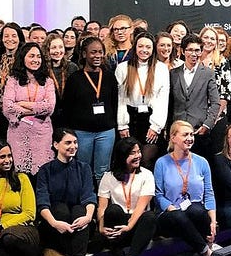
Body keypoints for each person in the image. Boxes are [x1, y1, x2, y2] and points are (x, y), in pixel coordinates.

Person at [35, 128, 98, 256]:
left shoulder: (83, 168)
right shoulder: (45, 170)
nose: (73, 146)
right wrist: (55, 223)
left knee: (79, 209)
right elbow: (42, 203)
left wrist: (88, 217)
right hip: (54, 224)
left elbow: (89, 196)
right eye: (68, 142)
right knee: (61, 209)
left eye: (75, 142)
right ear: (56, 145)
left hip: (78, 223)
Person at [154, 121, 221, 256]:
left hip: (194, 211)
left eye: (191, 134)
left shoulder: (202, 162)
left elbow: (209, 193)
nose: (190, 138)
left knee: (196, 210)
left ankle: (204, 242)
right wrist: (173, 209)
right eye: (185, 135)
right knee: (179, 216)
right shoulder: (161, 163)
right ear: (173, 138)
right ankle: (206, 251)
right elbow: (158, 196)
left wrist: (213, 221)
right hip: (170, 214)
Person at [97, 138, 157, 256]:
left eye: (138, 152)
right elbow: (102, 207)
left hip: (137, 224)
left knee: (150, 216)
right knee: (112, 210)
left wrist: (129, 226)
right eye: (132, 153)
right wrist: (101, 227)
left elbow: (142, 206)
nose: (137, 156)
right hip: (118, 225)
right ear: (122, 156)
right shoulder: (108, 177)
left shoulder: (147, 175)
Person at [60, 37, 118, 184]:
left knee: (102, 172)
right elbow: (67, 107)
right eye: (93, 52)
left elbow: (115, 104)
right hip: (82, 132)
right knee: (83, 169)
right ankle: (85, 202)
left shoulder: (110, 77)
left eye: (100, 52)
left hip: (105, 132)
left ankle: (102, 204)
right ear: (84, 54)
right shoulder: (75, 78)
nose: (97, 55)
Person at [116, 32, 170, 168]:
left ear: (153, 49)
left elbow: (162, 100)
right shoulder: (123, 68)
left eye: (148, 47)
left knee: (146, 160)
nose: (144, 50)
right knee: (128, 161)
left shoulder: (161, 69)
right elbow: (121, 99)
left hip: (150, 120)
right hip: (130, 119)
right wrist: (122, 125)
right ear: (135, 48)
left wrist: (156, 126)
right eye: (140, 46)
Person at [2, 43, 56, 175]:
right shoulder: (12, 80)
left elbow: (49, 107)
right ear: (23, 58)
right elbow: (7, 107)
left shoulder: (48, 81)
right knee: (20, 173)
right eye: (31, 56)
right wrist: (38, 107)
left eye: (38, 56)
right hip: (18, 132)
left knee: (42, 173)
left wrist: (22, 104)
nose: (35, 60)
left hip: (42, 132)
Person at [169, 35, 221, 159]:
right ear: (182, 51)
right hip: (177, 130)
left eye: (197, 50)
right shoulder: (173, 74)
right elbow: (169, 103)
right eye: (190, 50)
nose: (194, 54)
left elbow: (215, 103)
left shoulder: (208, 73)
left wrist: (207, 125)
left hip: (199, 131)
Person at [45, 34, 79, 130]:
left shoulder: (72, 67)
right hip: (49, 116)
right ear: (47, 50)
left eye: (60, 47)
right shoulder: (42, 69)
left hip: (70, 115)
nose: (57, 51)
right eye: (53, 48)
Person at [0, 23, 25, 103]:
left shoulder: (25, 59)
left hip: (21, 105)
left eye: (14, 36)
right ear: (2, 39)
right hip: (0, 105)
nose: (10, 39)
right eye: (6, 36)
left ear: (19, 38)